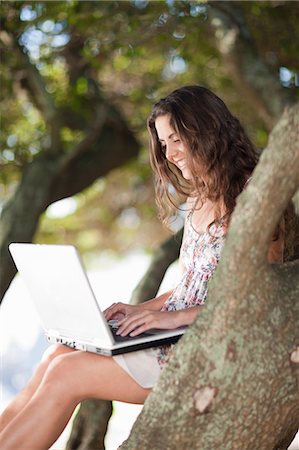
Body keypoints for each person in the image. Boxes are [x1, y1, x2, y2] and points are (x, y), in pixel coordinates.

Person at [0, 85, 284, 449]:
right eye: (165, 143)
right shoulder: (198, 200)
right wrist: (142, 311)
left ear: (207, 129)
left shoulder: (253, 196)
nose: (171, 153)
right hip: (174, 336)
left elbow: (258, 296)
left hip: (208, 349)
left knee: (66, 374)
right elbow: (189, 288)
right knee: (55, 356)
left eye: (177, 139)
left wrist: (171, 319)